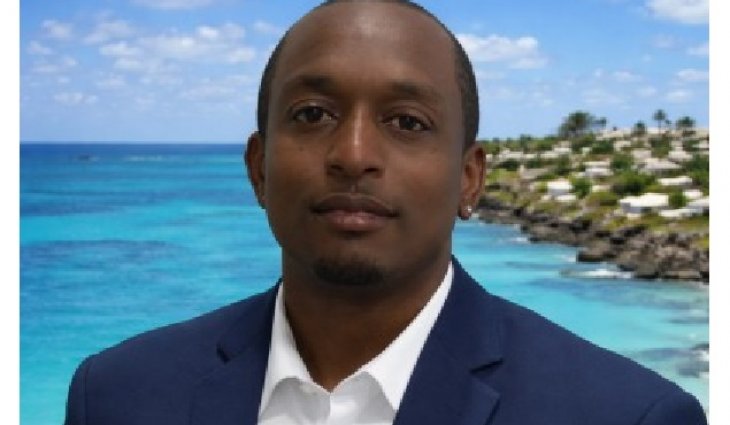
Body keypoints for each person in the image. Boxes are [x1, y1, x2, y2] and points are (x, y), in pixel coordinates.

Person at [64, 1, 708, 424]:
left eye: (407, 122)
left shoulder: (624, 414)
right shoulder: (117, 395)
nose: (353, 155)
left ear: (469, 178)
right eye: (312, 114)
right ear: (259, 167)